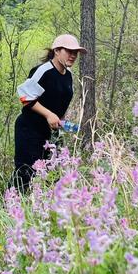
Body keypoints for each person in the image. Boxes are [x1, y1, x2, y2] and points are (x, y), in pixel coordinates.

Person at [10, 34, 86, 192]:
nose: (73, 55)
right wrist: (48, 115)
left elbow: (58, 102)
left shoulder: (68, 75)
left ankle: (48, 210)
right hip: (29, 130)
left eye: (75, 52)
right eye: (69, 51)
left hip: (51, 132)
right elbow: (25, 96)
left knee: (55, 173)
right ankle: (10, 209)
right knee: (25, 173)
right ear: (57, 51)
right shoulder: (43, 71)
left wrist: (61, 122)